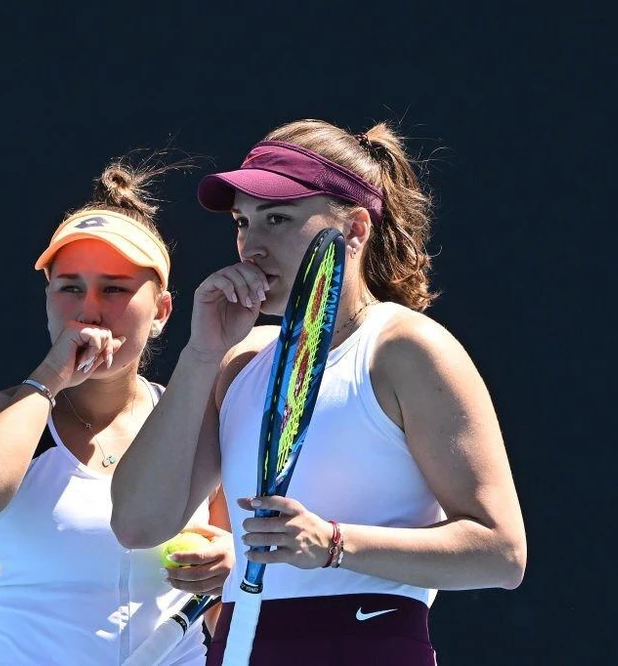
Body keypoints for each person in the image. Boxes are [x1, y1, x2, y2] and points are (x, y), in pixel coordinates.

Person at [111, 119, 527, 665]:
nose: (251, 245)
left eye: (277, 218)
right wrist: (201, 355)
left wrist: (333, 544)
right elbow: (138, 524)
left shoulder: (406, 348)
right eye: (242, 222)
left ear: (355, 229)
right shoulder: (236, 363)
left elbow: (501, 553)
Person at [0, 157, 234, 666]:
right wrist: (51, 376)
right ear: (48, 299)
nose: (88, 309)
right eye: (70, 286)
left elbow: (226, 614)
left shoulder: (202, 423)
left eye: (114, 288)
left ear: (161, 311)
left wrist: (230, 565)